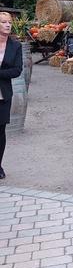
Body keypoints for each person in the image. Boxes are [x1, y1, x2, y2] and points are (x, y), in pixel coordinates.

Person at [0, 11, 23, 179]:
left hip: (3, 93)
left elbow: (17, 70)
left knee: (0, 131)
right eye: (3, 22)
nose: (8, 25)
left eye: (9, 22)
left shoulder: (15, 46)